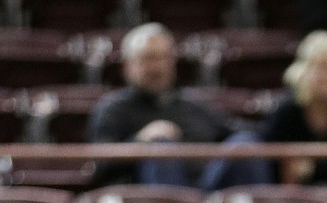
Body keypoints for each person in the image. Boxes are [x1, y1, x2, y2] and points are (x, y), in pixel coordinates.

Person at [87, 24, 269, 191]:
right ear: (127, 66)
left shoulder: (194, 105)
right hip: (149, 202)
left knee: (245, 142)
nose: (157, 67)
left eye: (163, 58)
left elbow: (237, 129)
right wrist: (141, 141)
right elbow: (100, 167)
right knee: (161, 147)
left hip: (210, 194)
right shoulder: (112, 109)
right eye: (148, 59)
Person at [255, 31, 327, 186]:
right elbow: (267, 161)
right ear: (303, 70)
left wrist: (315, 166)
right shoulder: (286, 111)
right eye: (321, 67)